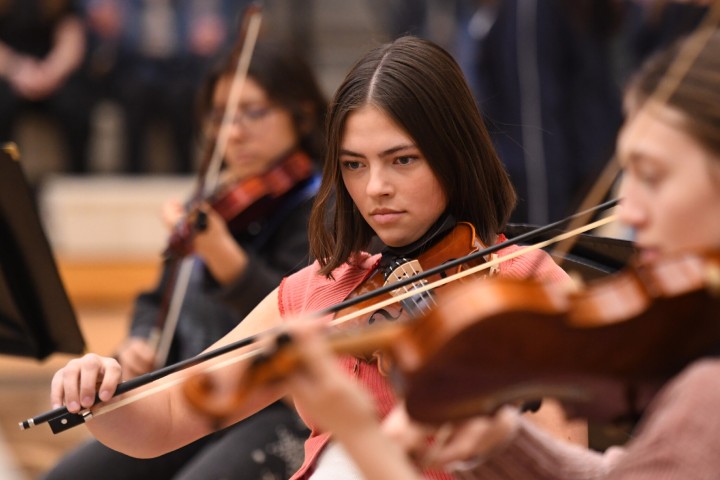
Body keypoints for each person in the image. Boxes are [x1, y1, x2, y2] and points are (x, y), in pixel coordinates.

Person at [48, 36, 586, 479]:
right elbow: (165, 419)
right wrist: (99, 391)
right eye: (354, 165)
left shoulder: (530, 285)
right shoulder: (321, 289)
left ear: (454, 155)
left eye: (402, 160)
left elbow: (560, 465)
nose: (376, 188)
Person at [280, 25, 720, 480]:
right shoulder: (328, 282)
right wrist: (506, 441)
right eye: (353, 164)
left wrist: (360, 436)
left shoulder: (706, 392)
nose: (630, 207)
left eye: (652, 175)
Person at [44, 39, 327, 480]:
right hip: (189, 401)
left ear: (302, 113)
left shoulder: (322, 208)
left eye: (254, 112)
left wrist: (223, 256)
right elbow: (156, 296)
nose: (233, 132)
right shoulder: (212, 202)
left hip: (278, 410)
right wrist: (142, 340)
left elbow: (298, 315)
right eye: (220, 116)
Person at [0, 0, 91, 174]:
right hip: (9, 72)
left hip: (52, 71)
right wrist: (18, 69)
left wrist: (51, 72)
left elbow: (71, 38)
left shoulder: (60, 5)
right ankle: (6, 180)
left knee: (75, 105)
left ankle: (76, 179)